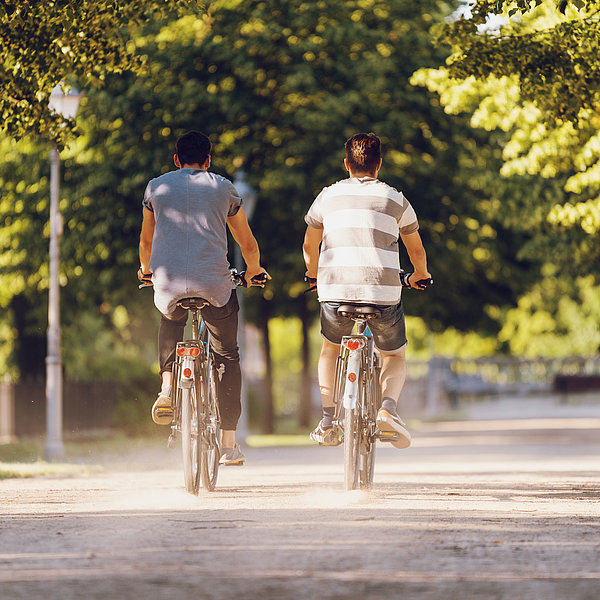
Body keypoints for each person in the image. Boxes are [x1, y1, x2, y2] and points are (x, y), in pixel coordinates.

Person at [138, 130, 269, 465]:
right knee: (227, 355)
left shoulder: (156, 188)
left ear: (176, 160)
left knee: (170, 320)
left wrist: (145, 270)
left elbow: (146, 242)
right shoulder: (223, 187)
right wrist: (253, 270)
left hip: (167, 284)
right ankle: (228, 443)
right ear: (208, 160)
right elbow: (247, 243)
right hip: (214, 286)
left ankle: (167, 388)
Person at [302, 132, 431, 449]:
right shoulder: (396, 199)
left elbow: (309, 243)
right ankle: (387, 409)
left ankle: (329, 419)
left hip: (335, 292)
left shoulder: (327, 197)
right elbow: (415, 249)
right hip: (382, 294)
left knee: (330, 349)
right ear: (380, 164)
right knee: (394, 354)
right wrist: (421, 275)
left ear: (346, 164)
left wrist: (312, 274)